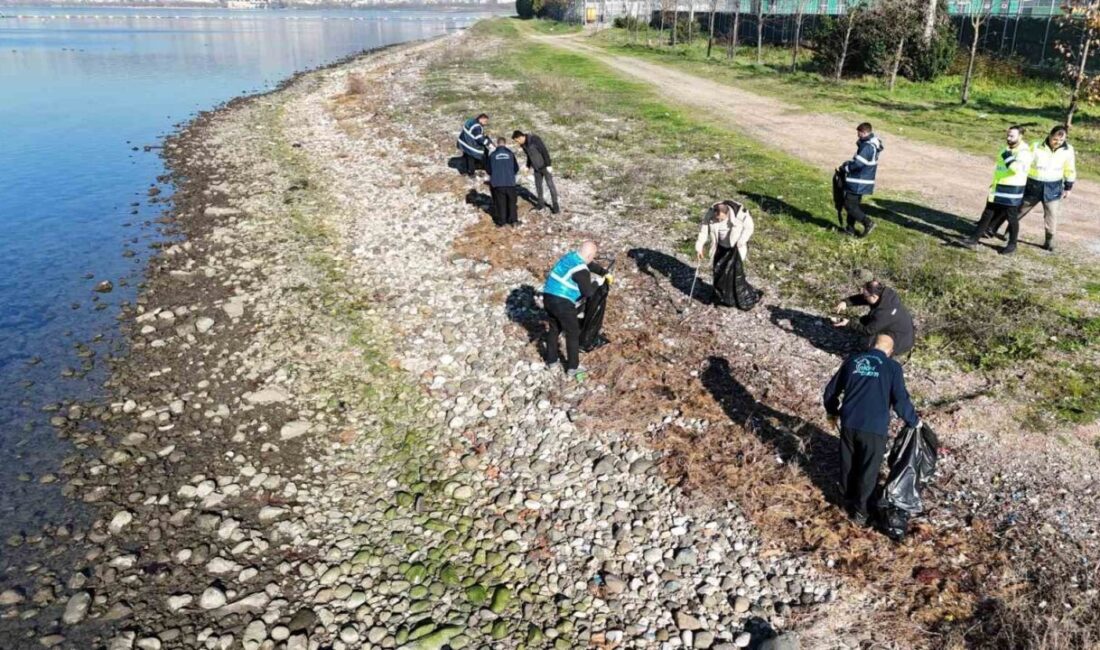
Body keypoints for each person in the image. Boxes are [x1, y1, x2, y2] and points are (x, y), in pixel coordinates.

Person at [823, 334, 921, 526]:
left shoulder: (853, 361)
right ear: (890, 352)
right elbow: (900, 401)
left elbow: (830, 392)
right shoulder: (892, 368)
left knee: (848, 462)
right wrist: (913, 421)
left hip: (849, 423)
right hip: (874, 427)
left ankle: (845, 499)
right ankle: (860, 512)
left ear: (871, 345)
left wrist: (832, 412)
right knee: (868, 470)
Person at [992, 124, 1077, 252]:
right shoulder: (1035, 146)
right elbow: (1024, 161)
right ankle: (1010, 231)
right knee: (1020, 210)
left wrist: (1068, 187)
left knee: (1052, 215)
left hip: (1053, 187)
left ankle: (1049, 240)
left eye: (1061, 140)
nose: (1058, 142)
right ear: (1049, 135)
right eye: (1055, 139)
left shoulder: (1068, 150)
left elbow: (1070, 168)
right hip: (1033, 185)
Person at [542, 241, 611, 381]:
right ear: (590, 255)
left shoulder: (571, 257)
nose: (591, 261)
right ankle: (573, 367)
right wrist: (598, 281)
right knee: (572, 333)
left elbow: (588, 264)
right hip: (562, 303)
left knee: (554, 329)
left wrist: (603, 272)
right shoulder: (581, 271)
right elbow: (588, 293)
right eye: (592, 257)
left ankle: (552, 361)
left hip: (548, 296)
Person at [962, 125, 1032, 255]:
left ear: (1020, 136)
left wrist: (1007, 156)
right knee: (987, 213)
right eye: (1008, 135)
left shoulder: (1024, 152)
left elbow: (1016, 169)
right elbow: (1000, 170)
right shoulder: (1006, 149)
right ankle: (973, 240)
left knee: (1012, 218)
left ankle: (1012, 245)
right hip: (998, 187)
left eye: (1012, 136)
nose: (1008, 138)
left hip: (1012, 190)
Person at [694, 200, 761, 310]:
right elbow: (704, 230)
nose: (718, 220)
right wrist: (699, 247)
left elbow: (749, 228)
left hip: (735, 248)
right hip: (720, 247)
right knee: (719, 271)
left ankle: (734, 297)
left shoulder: (740, 214)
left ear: (728, 213)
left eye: (721, 219)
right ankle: (722, 296)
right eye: (717, 218)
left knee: (734, 274)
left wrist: (740, 242)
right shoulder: (711, 213)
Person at [832, 280, 914, 358]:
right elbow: (862, 298)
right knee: (863, 321)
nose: (864, 298)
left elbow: (868, 331)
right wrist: (846, 302)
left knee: (875, 348)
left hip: (900, 342)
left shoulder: (884, 313)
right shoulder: (886, 296)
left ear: (874, 296)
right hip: (892, 326)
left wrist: (848, 324)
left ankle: (883, 359)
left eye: (865, 296)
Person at [837, 122, 884, 238]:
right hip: (861, 181)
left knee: (848, 205)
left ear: (864, 132)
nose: (857, 136)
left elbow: (858, 164)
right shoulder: (872, 144)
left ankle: (868, 223)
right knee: (853, 206)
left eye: (859, 133)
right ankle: (850, 230)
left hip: (858, 182)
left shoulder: (868, 147)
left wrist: (846, 168)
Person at [512, 130, 560, 214]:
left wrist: (549, 165)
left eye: (517, 140)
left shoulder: (534, 139)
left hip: (545, 167)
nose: (517, 143)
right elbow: (529, 156)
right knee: (538, 186)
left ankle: (555, 205)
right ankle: (540, 204)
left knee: (550, 185)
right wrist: (528, 166)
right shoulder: (523, 145)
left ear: (520, 137)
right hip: (536, 168)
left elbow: (544, 151)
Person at [487, 137, 520, 227]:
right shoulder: (510, 154)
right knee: (512, 202)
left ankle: (502, 222)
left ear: (497, 143)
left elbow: (488, 170)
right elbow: (516, 168)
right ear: (505, 143)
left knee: (500, 203)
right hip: (510, 182)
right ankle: (513, 221)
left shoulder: (492, 155)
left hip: (498, 183)